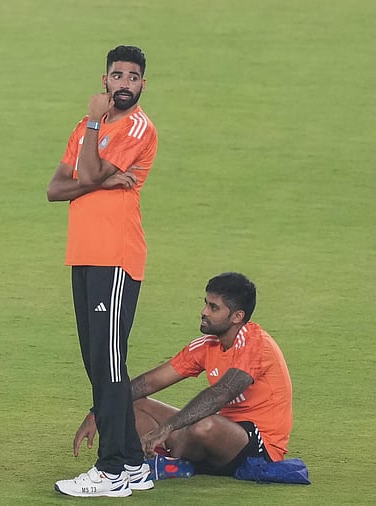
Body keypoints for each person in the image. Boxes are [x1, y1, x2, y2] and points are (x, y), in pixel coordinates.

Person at [47, 45, 159, 498]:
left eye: (133, 77)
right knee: (99, 362)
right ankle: (133, 463)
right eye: (118, 75)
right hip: (85, 255)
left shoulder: (136, 127)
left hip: (115, 257)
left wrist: (94, 128)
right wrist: (94, 179)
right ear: (105, 79)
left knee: (109, 365)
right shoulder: (83, 127)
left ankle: (111, 471)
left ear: (143, 85)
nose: (125, 84)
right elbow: (55, 189)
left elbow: (87, 171)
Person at [71, 272, 294, 480]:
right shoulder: (208, 345)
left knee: (204, 425)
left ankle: (165, 459)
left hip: (259, 445)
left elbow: (221, 394)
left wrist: (166, 429)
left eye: (213, 307)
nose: (204, 311)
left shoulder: (256, 345)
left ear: (237, 317)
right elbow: (149, 382)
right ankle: (163, 461)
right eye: (205, 303)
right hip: (218, 433)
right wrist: (98, 411)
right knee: (131, 401)